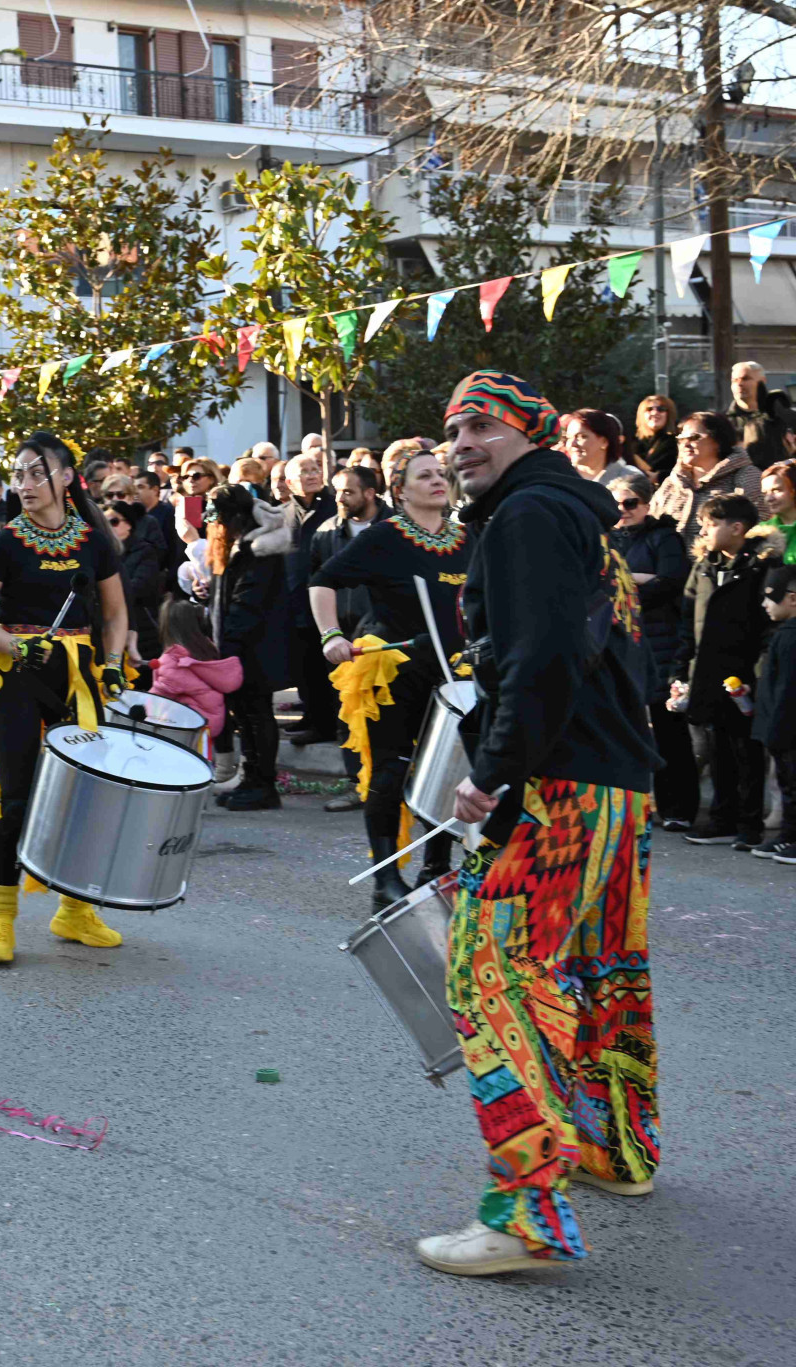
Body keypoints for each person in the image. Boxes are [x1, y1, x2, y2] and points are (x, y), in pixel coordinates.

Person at [420, 370, 660, 1277]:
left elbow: (542, 661)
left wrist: (490, 777)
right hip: (615, 782)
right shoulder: (569, 513)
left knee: (492, 977)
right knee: (601, 968)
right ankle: (616, 1148)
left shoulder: (527, 517)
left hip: (562, 786)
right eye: (454, 429)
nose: (463, 442)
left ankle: (525, 1213)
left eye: (482, 425)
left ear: (530, 433)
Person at [0, 433, 130, 964]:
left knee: (85, 797)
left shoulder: (93, 540)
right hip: (13, 677)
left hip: (76, 679)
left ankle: (74, 912)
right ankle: (1, 922)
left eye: (38, 472)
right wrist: (13, 644)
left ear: (66, 478)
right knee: (14, 803)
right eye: (19, 474)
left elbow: (116, 612)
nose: (26, 484)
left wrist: (115, 664)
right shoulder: (5, 541)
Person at [310, 448, 472, 907]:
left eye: (441, 474)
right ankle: (386, 876)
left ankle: (437, 866)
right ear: (400, 490)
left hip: (453, 672)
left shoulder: (467, 537)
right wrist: (331, 636)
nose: (438, 481)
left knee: (446, 773)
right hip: (395, 669)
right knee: (390, 771)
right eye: (425, 476)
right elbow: (322, 580)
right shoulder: (385, 537)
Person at [674, 492, 781, 850]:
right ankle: (722, 818)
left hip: (744, 676)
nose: (703, 530)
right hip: (707, 672)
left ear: (737, 528)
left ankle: (748, 824)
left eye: (711, 523)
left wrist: (759, 675)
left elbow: (769, 627)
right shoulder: (704, 566)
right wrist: (681, 671)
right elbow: (688, 624)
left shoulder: (761, 566)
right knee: (718, 747)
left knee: (747, 751)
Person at [606, 472, 696, 832]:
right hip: (619, 641)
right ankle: (635, 803)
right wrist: (639, 578)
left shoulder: (664, 537)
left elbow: (672, 581)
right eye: (617, 504)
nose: (623, 510)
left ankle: (680, 808)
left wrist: (624, 584)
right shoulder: (606, 538)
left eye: (631, 503)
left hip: (660, 641)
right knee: (625, 727)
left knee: (669, 729)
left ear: (646, 504)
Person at [205, 484, 293, 811]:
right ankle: (251, 777)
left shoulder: (259, 550)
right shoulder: (235, 546)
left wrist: (228, 646)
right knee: (244, 713)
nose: (210, 519)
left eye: (216, 512)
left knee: (257, 713)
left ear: (235, 515)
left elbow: (248, 603)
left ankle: (264, 783)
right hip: (238, 647)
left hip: (255, 649)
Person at [282, 453, 339, 745]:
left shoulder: (334, 507)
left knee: (325, 668)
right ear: (290, 482)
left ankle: (327, 725)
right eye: (304, 471)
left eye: (316, 469)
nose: (313, 474)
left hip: (328, 600)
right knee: (304, 667)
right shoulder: (282, 514)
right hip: (294, 603)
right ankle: (312, 716)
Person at [650, 411, 764, 545]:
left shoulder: (746, 476)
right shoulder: (671, 483)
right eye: (681, 439)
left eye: (693, 437)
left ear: (718, 441)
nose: (685, 444)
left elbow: (757, 529)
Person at [147, 596, 242, 746]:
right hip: (212, 720)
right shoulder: (206, 647)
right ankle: (224, 767)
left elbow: (159, 695)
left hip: (190, 723)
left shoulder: (172, 659)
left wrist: (140, 708)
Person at [750, 564, 796, 862]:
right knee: (787, 783)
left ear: (793, 599)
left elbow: (789, 690)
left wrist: (776, 729)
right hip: (780, 727)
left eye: (772, 597)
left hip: (788, 729)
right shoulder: (784, 633)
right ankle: (788, 836)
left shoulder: (792, 637)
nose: (765, 604)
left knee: (793, 782)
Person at [105, 499, 165, 662]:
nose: (108, 527)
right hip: (110, 628)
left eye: (114, 522)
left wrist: (105, 591)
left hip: (141, 626)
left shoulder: (145, 551)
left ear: (129, 524)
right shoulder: (102, 553)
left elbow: (140, 587)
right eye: (104, 523)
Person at [727, 360, 793, 470]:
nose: (739, 384)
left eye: (746, 378)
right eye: (734, 380)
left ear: (762, 381)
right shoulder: (725, 422)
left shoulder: (787, 417)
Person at [562, 408, 642, 484]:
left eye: (582, 436)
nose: (572, 444)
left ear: (604, 442)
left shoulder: (630, 478)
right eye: (568, 437)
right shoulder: (560, 477)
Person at [635, 394, 681, 483]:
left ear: (669, 414)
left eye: (661, 409)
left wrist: (659, 476)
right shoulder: (632, 443)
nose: (655, 412)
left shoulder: (678, 442)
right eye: (649, 409)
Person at [759, 459, 796, 563]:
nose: (769, 498)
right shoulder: (762, 532)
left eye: (776, 490)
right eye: (765, 493)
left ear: (793, 490)